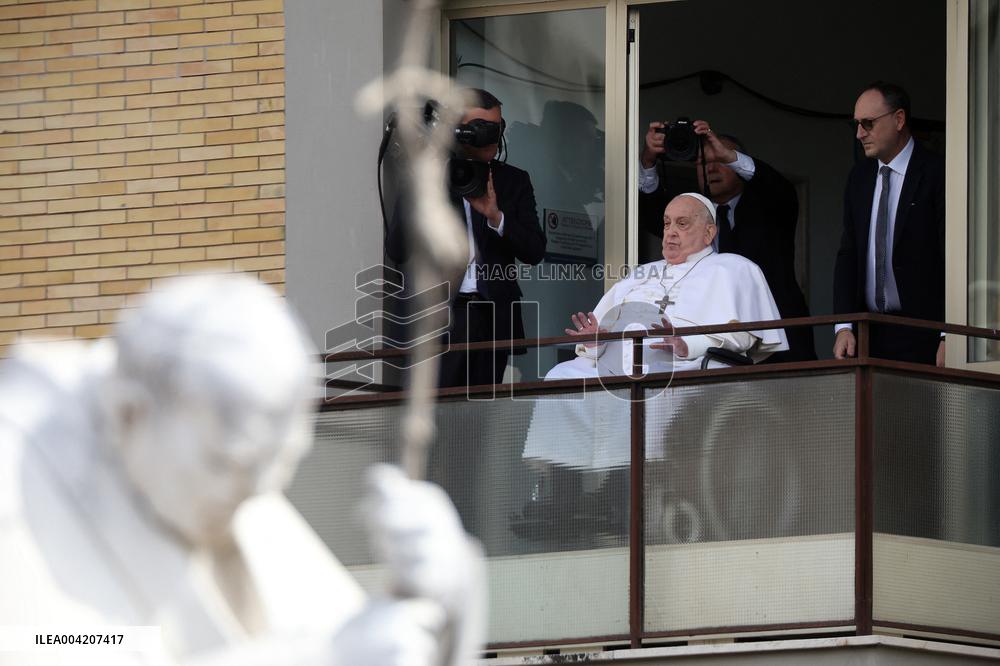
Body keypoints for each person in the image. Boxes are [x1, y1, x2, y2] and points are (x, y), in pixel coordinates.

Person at [0, 275, 484, 666]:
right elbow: (53, 646)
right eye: (229, 465)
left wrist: (439, 600)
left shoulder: (218, 473)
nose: (258, 492)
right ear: (131, 412)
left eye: (279, 463)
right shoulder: (17, 475)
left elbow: (344, 631)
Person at [387, 88, 546, 387]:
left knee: (482, 418)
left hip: (491, 316)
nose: (491, 138)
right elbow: (397, 248)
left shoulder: (513, 181)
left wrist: (496, 217)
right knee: (436, 416)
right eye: (480, 128)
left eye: (496, 129)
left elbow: (535, 250)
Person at [543, 192, 787, 381]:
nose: (670, 233)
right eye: (667, 223)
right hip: (617, 364)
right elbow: (602, 341)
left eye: (682, 224)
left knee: (651, 387)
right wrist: (596, 343)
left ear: (709, 232)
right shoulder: (639, 274)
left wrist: (685, 344)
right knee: (560, 377)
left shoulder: (734, 268)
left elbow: (743, 337)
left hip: (684, 364)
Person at [638, 120, 815, 362]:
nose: (711, 169)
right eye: (703, 164)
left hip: (775, 341)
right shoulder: (691, 219)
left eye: (720, 162)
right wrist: (648, 161)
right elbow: (652, 213)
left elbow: (780, 189)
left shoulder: (768, 206)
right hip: (711, 346)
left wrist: (728, 154)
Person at [833, 81, 945, 365]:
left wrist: (948, 334)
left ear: (899, 119)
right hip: (870, 333)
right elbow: (849, 254)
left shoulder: (937, 172)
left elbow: (951, 256)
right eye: (855, 125)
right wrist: (844, 326)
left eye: (868, 123)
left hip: (925, 332)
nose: (859, 134)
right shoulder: (859, 178)